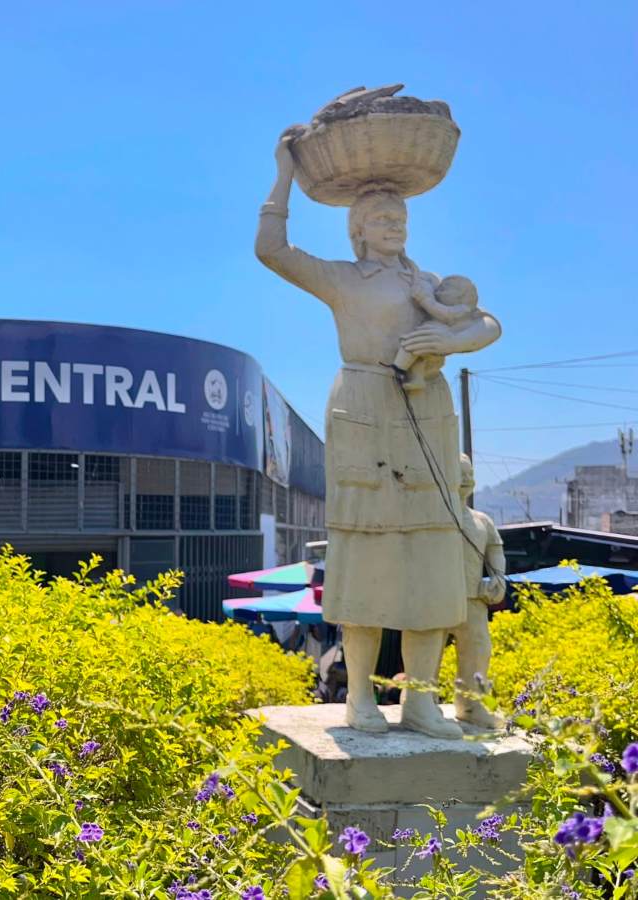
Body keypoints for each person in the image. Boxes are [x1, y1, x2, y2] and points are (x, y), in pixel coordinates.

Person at [255, 126, 502, 738]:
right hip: (364, 405)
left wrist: (447, 339)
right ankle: (359, 695)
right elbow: (273, 250)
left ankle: (420, 699)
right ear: (357, 229)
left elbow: (488, 323)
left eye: (401, 215)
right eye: (382, 216)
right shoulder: (341, 279)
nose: (396, 223)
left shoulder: (426, 285)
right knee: (365, 556)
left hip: (426, 413)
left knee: (431, 558)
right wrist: (284, 174)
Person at [450, 455, 507, 728]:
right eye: (459, 473)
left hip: (474, 599)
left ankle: (471, 704)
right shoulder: (436, 520)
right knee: (427, 651)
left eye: (469, 474)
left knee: (479, 650)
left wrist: (498, 577)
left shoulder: (483, 521)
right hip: (438, 597)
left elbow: (495, 551)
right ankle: (417, 702)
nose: (466, 480)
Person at [392, 275, 480, 393]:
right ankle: (416, 378)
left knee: (410, 345)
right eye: (440, 288)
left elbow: (444, 314)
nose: (439, 291)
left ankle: (397, 368)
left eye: (445, 289)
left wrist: (425, 301)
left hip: (435, 335)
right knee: (418, 357)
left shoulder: (462, 309)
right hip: (430, 334)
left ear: (461, 295)